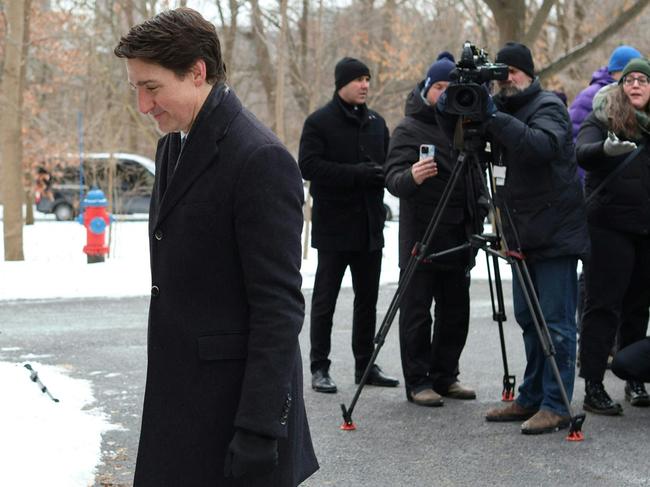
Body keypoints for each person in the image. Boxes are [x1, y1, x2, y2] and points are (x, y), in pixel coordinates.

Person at [114, 8, 318, 486]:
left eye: (153, 87)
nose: (143, 105)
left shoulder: (260, 159)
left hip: (235, 416)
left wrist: (259, 428)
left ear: (197, 72)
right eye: (135, 89)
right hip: (180, 403)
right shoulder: (172, 145)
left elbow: (278, 307)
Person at [443, 42, 589, 434]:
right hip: (520, 231)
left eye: (509, 73)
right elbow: (455, 133)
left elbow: (539, 147)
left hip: (554, 232)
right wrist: (458, 94)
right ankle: (531, 396)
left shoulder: (549, 106)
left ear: (526, 73)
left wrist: (493, 114)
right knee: (528, 319)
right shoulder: (499, 109)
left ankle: (557, 404)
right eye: (499, 74)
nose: (504, 82)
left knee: (556, 324)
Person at [384, 52, 479, 407]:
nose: (445, 93)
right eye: (439, 86)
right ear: (427, 89)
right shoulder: (409, 128)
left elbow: (475, 177)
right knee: (417, 315)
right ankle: (418, 380)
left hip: (459, 235)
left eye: (450, 87)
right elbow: (392, 178)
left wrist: (481, 209)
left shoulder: (465, 127)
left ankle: (446, 375)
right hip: (421, 236)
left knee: (456, 312)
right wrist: (411, 176)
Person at [299, 57, 399, 393]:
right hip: (333, 227)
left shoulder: (376, 122)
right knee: (325, 300)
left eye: (367, 79)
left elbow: (387, 164)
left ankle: (365, 365)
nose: (364, 85)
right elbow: (308, 166)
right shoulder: (319, 122)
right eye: (358, 79)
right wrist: (355, 173)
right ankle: (319, 367)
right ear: (341, 83)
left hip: (370, 226)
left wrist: (381, 174)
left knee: (367, 299)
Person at [576, 57, 650, 415]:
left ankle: (634, 379)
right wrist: (605, 149)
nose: (636, 85)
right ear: (620, 87)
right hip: (608, 227)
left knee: (639, 307)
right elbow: (583, 153)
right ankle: (593, 384)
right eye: (629, 80)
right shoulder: (603, 117)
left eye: (643, 80)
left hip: (646, 230)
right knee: (603, 306)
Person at [569, 45, 642, 143]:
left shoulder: (633, 94)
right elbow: (574, 132)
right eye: (631, 73)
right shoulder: (591, 95)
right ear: (618, 71)